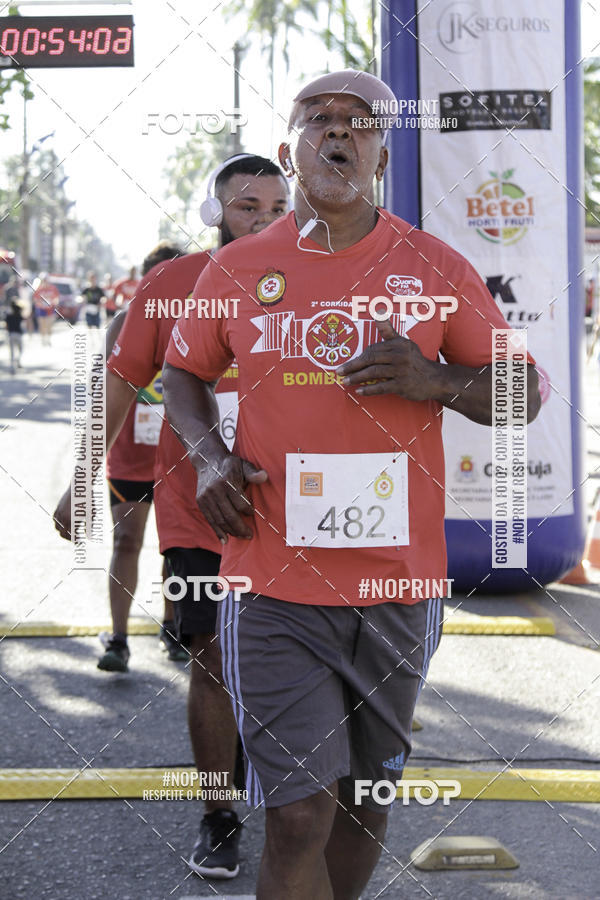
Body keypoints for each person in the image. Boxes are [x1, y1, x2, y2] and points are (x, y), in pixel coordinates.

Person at [162, 69, 542, 900]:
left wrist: (435, 380)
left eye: (359, 121)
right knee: (300, 814)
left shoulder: (435, 266)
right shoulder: (238, 268)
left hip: (397, 588)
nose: (338, 132)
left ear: (382, 151)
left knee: (365, 807)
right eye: (318, 119)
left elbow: (527, 393)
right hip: (273, 585)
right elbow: (183, 372)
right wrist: (210, 456)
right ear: (289, 147)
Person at [53, 154, 289, 879]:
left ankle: (295, 800)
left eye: (278, 208)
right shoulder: (169, 286)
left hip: (298, 508)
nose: (265, 221)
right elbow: (120, 385)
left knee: (285, 662)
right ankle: (218, 814)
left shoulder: (318, 274)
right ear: (215, 213)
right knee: (211, 656)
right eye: (248, 207)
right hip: (198, 505)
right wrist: (82, 480)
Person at [98, 245, 186, 672]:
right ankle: (118, 639)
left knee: (177, 551)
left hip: (179, 457)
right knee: (127, 541)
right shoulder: (122, 324)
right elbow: (105, 391)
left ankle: (173, 627)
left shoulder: (200, 320)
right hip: (130, 456)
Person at [5, 299, 24, 374]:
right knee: (20, 349)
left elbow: (6, 326)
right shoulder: (19, 315)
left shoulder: (8, 316)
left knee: (12, 351)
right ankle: (18, 361)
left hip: (11, 334)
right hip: (18, 334)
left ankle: (12, 366)